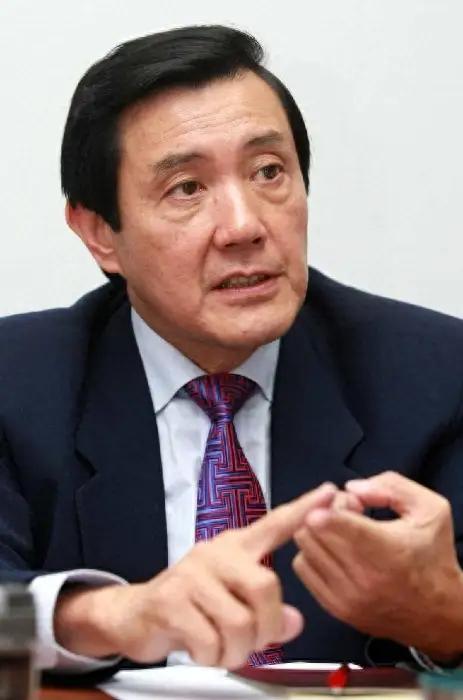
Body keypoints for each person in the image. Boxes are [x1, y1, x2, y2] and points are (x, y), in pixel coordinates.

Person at [0, 24, 462, 676]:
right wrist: (108, 615)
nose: (244, 226)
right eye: (187, 188)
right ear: (100, 232)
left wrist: (445, 617)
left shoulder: (438, 378)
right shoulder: (18, 384)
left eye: (269, 172)